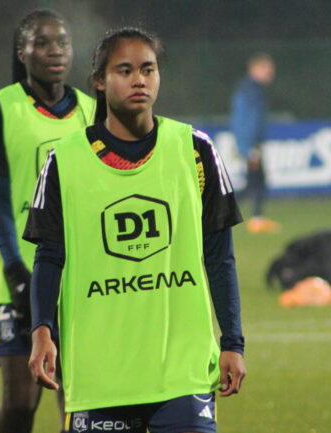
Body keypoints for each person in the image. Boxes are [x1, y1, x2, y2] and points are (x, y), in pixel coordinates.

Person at [24, 27, 246, 433]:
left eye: (148, 69)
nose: (139, 79)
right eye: (124, 70)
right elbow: (50, 257)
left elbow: (219, 256)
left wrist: (233, 341)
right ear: (99, 82)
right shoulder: (64, 161)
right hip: (100, 374)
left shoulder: (195, 149)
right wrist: (42, 332)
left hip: (183, 371)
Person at [0, 9, 95, 433]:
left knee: (77, 402)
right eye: (42, 42)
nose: (55, 51)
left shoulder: (92, 113)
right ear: (22, 51)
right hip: (17, 276)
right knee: (21, 403)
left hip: (79, 277)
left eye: (62, 42)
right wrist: (15, 270)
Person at [230, 52, 280, 234]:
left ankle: (255, 218)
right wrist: (249, 145)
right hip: (251, 144)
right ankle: (224, 212)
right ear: (256, 69)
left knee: (254, 181)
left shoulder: (250, 89)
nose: (271, 73)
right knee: (256, 181)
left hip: (251, 143)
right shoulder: (251, 90)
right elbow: (246, 120)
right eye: (267, 69)